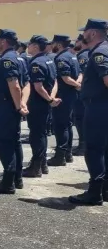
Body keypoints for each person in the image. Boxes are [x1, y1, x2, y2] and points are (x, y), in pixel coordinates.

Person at [0, 29, 29, 194]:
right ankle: (17, 178)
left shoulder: (7, 60)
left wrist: (19, 106)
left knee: (5, 143)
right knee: (15, 142)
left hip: (6, 106)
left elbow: (15, 85)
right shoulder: (19, 58)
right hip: (14, 105)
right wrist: (22, 104)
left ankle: (8, 182)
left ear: (3, 42)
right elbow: (27, 85)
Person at [70, 19, 108, 205]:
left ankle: (95, 192)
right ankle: (104, 189)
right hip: (101, 106)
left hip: (98, 107)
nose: (82, 35)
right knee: (104, 149)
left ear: (92, 33)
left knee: (93, 149)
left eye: (85, 32)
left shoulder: (100, 52)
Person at [23, 35, 60, 178]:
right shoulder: (49, 60)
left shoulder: (36, 63)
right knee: (42, 134)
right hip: (45, 103)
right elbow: (55, 81)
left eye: (30, 45)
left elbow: (38, 87)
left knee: (36, 135)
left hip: (37, 103)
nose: (28, 47)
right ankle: (42, 164)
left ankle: (36, 167)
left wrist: (49, 99)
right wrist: (51, 98)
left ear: (36, 47)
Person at [48, 34, 81, 167]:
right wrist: (78, 84)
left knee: (61, 126)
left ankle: (60, 156)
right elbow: (80, 74)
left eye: (54, 43)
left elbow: (66, 78)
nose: (52, 45)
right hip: (71, 95)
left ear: (59, 45)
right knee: (67, 124)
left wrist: (78, 85)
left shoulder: (61, 58)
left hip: (63, 95)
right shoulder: (73, 56)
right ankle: (67, 154)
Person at [72, 34, 90, 156]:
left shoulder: (83, 55)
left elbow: (82, 73)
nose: (75, 43)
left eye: (76, 41)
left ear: (81, 42)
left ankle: (83, 145)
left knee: (80, 118)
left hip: (81, 92)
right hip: (86, 92)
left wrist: (77, 84)